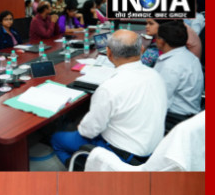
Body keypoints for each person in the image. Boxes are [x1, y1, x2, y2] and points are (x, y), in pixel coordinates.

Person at [50, 30, 167, 166]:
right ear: (141, 49)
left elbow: (87, 132)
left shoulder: (109, 88)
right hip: (152, 152)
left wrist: (82, 125)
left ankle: (80, 167)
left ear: (109, 53)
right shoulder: (156, 75)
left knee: (57, 139)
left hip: (122, 154)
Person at [154, 20, 204, 132]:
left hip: (174, 119)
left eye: (157, 37)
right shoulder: (191, 57)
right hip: (190, 116)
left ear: (161, 41)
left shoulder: (170, 65)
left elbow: (161, 100)